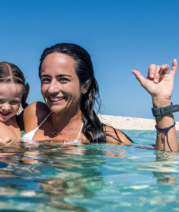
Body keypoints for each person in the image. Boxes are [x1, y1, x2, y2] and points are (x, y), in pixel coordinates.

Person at [21, 43, 178, 151]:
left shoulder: (103, 136)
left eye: (63, 79)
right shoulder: (34, 114)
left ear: (85, 86)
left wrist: (161, 101)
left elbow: (165, 158)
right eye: (46, 79)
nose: (52, 89)